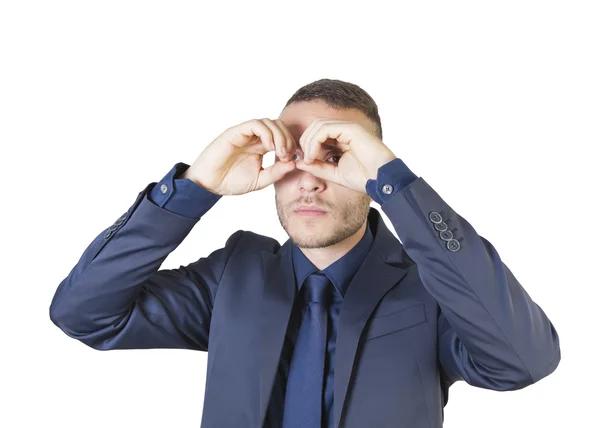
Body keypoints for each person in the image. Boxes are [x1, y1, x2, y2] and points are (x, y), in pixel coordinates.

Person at [49, 78, 561, 428]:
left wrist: (399, 187)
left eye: (335, 156)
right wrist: (195, 186)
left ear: (372, 171)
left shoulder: (432, 287)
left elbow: (522, 361)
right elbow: (84, 313)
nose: (309, 182)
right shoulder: (232, 276)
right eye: (291, 158)